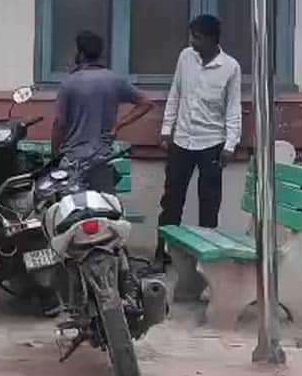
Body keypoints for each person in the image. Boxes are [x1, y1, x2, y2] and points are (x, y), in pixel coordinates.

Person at [157, 14, 242, 264]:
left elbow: (233, 108)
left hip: (212, 144)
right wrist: (166, 129)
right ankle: (162, 253)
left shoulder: (230, 67)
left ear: (213, 39)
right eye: (192, 36)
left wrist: (230, 145)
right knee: (171, 200)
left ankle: (206, 261)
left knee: (209, 203)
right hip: (182, 141)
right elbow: (175, 93)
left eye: (198, 37)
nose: (193, 41)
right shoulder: (185, 57)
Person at [52, 31, 155, 194]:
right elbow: (146, 103)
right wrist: (118, 126)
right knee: (105, 210)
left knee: (71, 212)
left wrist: (54, 153)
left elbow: (59, 123)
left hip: (73, 161)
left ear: (81, 53)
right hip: (103, 160)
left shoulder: (69, 83)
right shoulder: (114, 80)